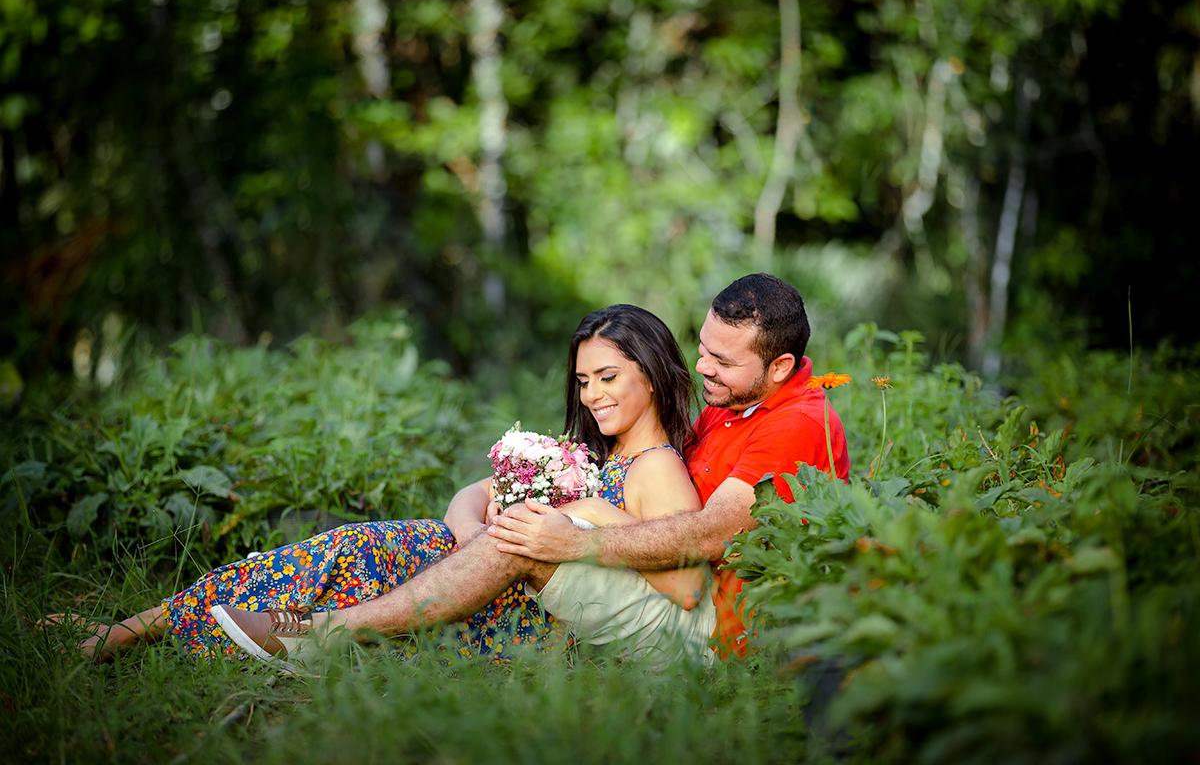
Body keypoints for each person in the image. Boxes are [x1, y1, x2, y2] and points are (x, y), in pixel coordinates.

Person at [216, 273, 850, 662]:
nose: (705, 367)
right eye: (703, 349)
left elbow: (708, 538)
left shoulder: (797, 424)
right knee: (401, 543)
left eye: (724, 361)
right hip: (671, 595)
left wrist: (578, 532)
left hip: (717, 634)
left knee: (524, 539)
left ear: (780, 367)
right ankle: (223, 619)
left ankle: (319, 635)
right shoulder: (728, 406)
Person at [45, 305, 715, 667]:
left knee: (346, 568)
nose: (592, 394)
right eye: (584, 380)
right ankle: (136, 627)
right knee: (347, 551)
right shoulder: (590, 454)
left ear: (651, 373)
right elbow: (471, 495)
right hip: (480, 571)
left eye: (608, 378)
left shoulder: (655, 467)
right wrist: (472, 540)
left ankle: (146, 634)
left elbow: (687, 584)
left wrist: (585, 516)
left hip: (536, 616)